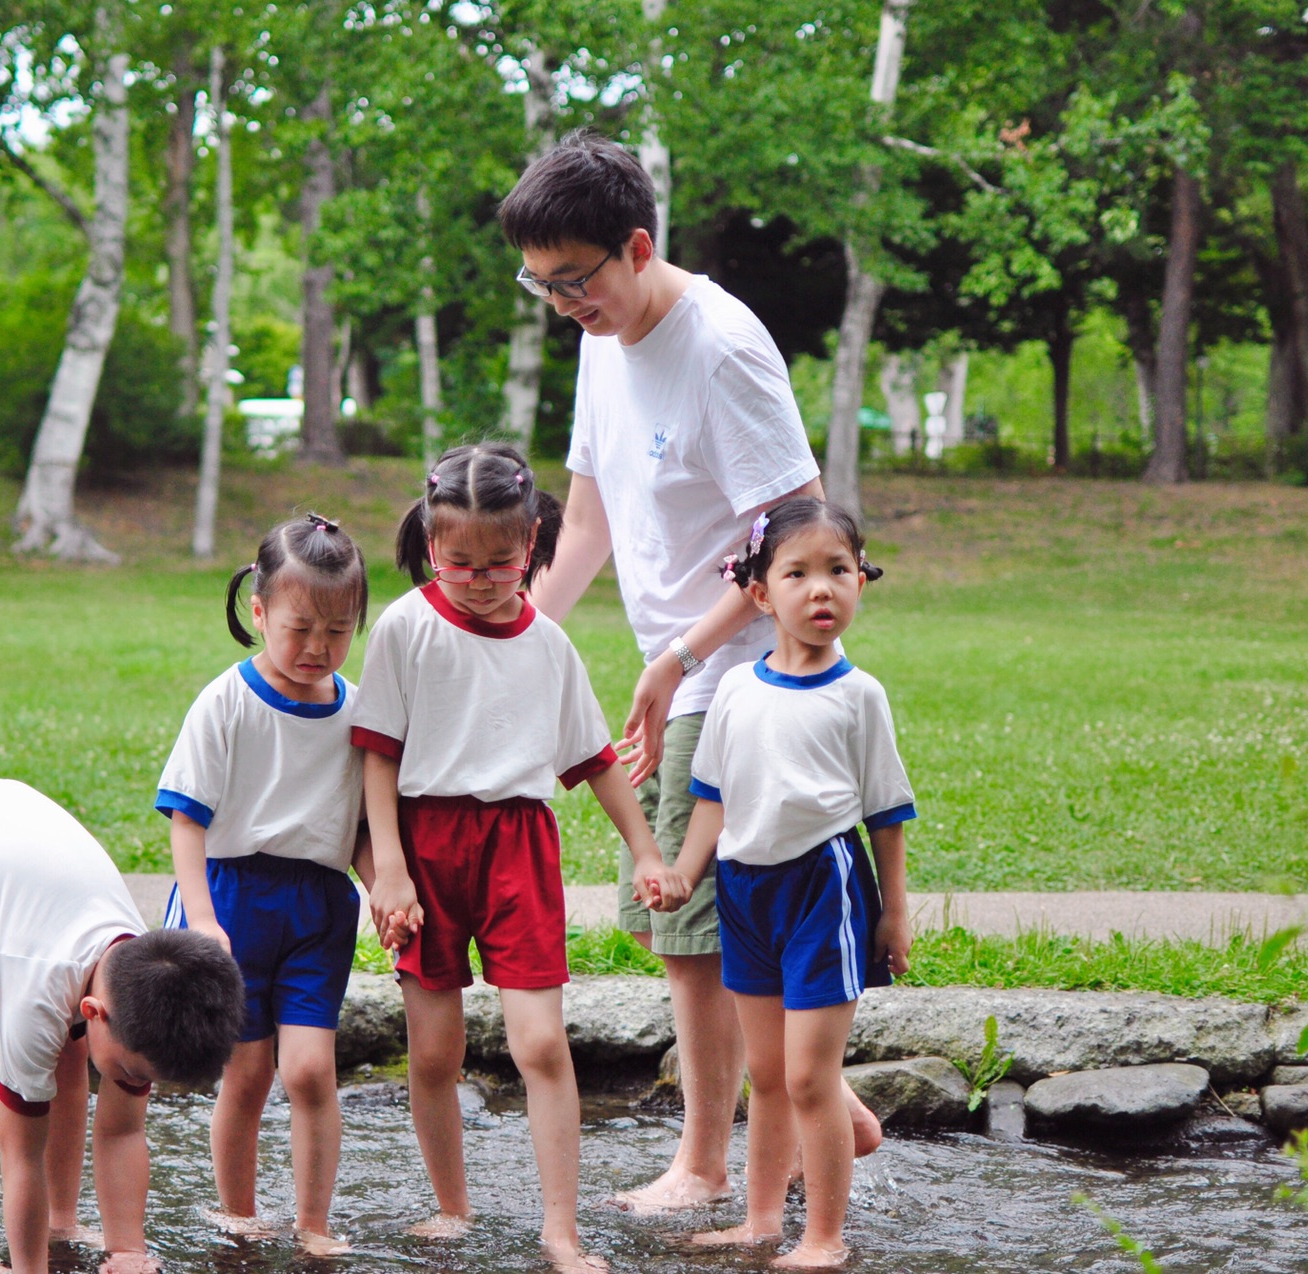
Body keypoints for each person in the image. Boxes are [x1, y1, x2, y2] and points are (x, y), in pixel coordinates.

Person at [498, 128, 881, 1211]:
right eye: (543, 286)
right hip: (678, 670)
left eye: (577, 280)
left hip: (746, 682)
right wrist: (516, 632)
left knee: (689, 936)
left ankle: (706, 1165)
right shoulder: (598, 335)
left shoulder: (720, 346)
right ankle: (825, 1107)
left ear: (636, 242)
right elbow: (586, 517)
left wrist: (681, 653)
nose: (566, 302)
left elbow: (796, 528)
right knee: (694, 920)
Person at [353, 442, 688, 1274]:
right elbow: (378, 757)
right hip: (424, 850)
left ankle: (560, 1230)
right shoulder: (405, 628)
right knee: (434, 1052)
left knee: (541, 1044)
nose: (478, 577)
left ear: (533, 547)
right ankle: (451, 1208)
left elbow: (596, 761)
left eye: (500, 562)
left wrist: (645, 850)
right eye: (458, 561)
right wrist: (386, 866)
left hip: (518, 852)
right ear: (432, 547)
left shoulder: (548, 645)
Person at [656, 498, 915, 1269]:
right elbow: (713, 799)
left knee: (809, 1075)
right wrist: (683, 875)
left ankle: (824, 1238)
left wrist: (894, 914)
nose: (821, 591)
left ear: (861, 582)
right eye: (797, 574)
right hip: (742, 891)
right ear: (762, 594)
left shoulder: (858, 695)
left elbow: (886, 816)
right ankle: (762, 1221)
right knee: (764, 1074)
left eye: (838, 571)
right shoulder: (735, 689)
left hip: (822, 890)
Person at [0, 775, 245, 1274]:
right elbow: (22, 1160)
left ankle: (63, 1221)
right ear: (95, 1012)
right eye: (134, 1074)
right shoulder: (40, 995)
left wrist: (128, 1251)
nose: (136, 1085)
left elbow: (122, 1132)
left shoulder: (145, 980)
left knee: (70, 1049)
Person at [154, 513, 374, 1256]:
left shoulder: (358, 711)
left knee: (311, 1070)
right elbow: (186, 819)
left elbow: (363, 828)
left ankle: (313, 1224)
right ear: (258, 613)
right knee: (246, 1074)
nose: (317, 647)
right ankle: (239, 1217)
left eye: (338, 631)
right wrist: (204, 921)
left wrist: (387, 892)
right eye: (299, 627)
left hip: (319, 909)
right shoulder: (228, 701)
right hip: (233, 900)